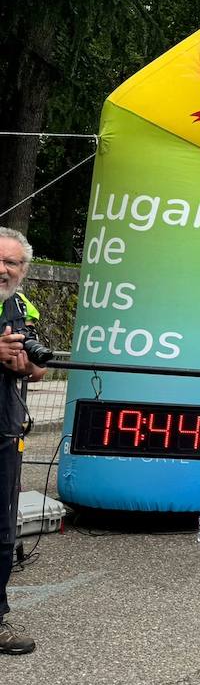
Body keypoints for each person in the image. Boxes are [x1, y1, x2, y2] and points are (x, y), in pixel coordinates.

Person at [0, 227, 45, 656]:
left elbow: (39, 370)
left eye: (12, 262)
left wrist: (26, 362)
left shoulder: (22, 305)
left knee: (1, 531)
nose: (3, 269)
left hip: (5, 428)